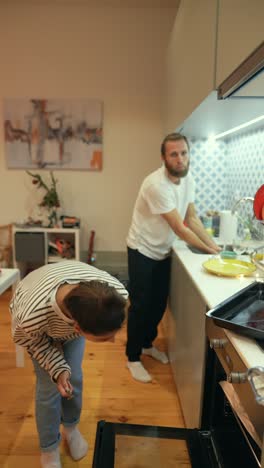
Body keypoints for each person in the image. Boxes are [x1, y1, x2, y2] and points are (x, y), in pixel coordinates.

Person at [10, 260, 128, 468]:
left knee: (73, 377)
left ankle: (71, 428)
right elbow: (33, 343)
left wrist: (65, 371)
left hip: (65, 308)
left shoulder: (116, 295)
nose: (112, 342)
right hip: (39, 328)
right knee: (49, 389)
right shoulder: (30, 319)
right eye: (103, 338)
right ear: (78, 329)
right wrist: (57, 368)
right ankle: (49, 448)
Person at [126, 132, 221, 383]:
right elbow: (180, 228)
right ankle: (132, 357)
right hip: (142, 249)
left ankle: (147, 344)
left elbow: (192, 218)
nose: (180, 159)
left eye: (184, 153)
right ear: (164, 157)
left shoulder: (189, 179)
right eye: (174, 154)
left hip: (163, 249)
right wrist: (208, 250)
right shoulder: (155, 184)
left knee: (158, 303)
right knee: (140, 305)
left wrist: (214, 246)